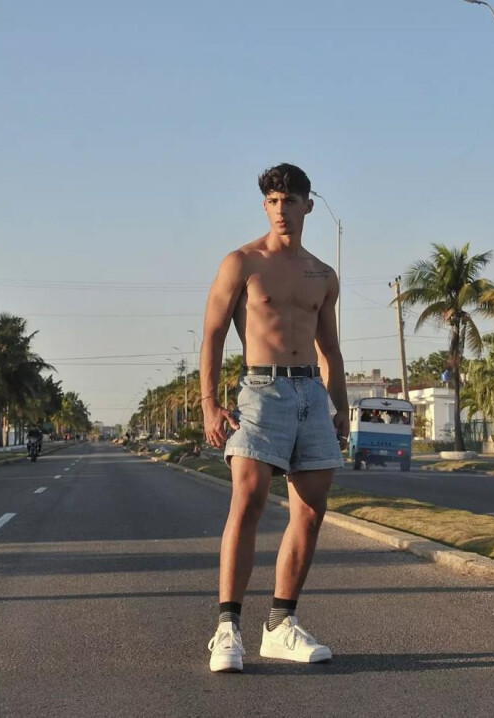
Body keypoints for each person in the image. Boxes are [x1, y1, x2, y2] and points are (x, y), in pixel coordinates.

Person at [201, 163, 349, 673]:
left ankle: (280, 626)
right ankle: (227, 629)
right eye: (271, 201)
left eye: (289, 200)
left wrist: (340, 406)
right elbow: (213, 334)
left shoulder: (322, 275)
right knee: (248, 499)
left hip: (311, 392)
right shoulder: (242, 263)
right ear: (264, 206)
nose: (280, 210)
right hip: (260, 390)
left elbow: (330, 348)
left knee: (311, 510)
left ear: (308, 205)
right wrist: (209, 402)